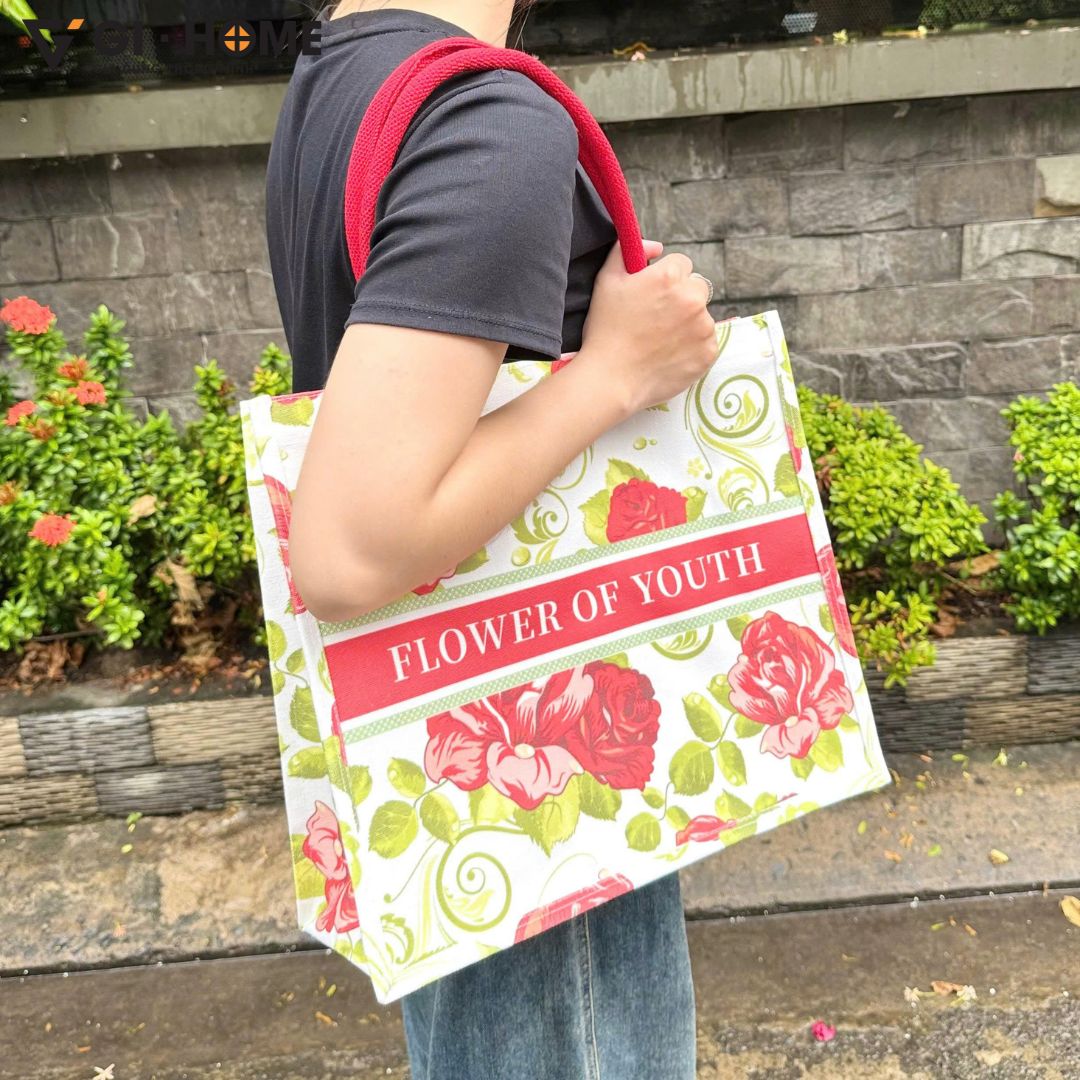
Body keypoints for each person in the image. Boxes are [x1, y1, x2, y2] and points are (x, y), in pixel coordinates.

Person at [264, 2, 719, 1076]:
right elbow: (349, 551)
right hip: (547, 795)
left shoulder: (338, 76)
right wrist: (615, 373)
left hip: (446, 764)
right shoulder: (488, 118)